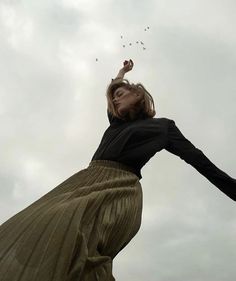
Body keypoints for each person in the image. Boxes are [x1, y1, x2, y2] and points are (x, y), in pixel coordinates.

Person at [0, 59, 235, 281]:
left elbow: (199, 161)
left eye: (121, 94)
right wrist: (121, 74)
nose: (115, 100)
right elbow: (112, 89)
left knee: (76, 244)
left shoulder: (163, 127)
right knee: (34, 228)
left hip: (119, 188)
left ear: (138, 95)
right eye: (113, 99)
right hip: (84, 181)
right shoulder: (116, 123)